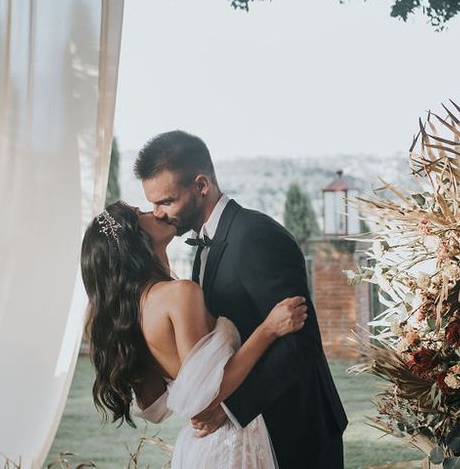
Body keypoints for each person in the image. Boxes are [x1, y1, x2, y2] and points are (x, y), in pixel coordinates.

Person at [135, 130, 348, 469]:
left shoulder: (256, 235)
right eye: (153, 204)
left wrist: (227, 407)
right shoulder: (205, 244)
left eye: (166, 201)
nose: (158, 213)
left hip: (295, 429)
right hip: (250, 438)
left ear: (201, 185)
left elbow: (301, 342)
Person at [81, 199, 307, 468]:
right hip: (227, 443)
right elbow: (207, 398)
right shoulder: (179, 295)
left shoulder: (134, 314)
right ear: (134, 239)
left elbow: (154, 405)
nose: (153, 211)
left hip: (198, 446)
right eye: (140, 213)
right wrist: (268, 329)